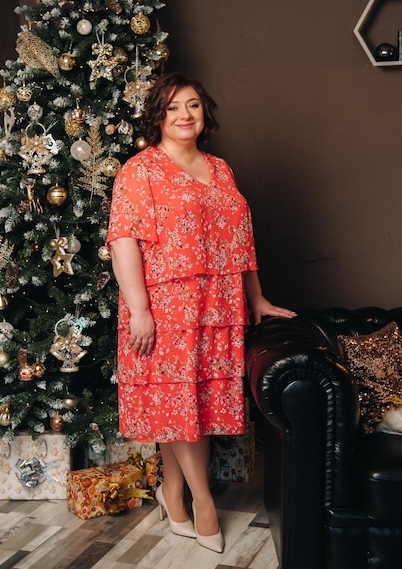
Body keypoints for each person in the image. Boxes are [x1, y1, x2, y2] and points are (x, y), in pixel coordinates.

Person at [107, 72, 296, 553]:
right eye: (173, 107)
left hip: (217, 305)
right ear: (158, 116)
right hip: (164, 307)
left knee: (189, 408)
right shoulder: (140, 169)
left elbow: (240, 244)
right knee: (177, 403)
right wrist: (140, 309)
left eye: (192, 105)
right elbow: (123, 240)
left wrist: (256, 299)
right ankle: (203, 502)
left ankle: (172, 492)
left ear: (204, 113)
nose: (184, 115)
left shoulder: (221, 169)